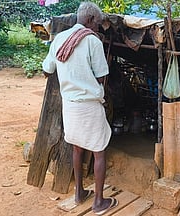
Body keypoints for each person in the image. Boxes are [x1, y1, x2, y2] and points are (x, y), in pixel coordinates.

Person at [42, 2, 117, 215]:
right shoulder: (92, 41)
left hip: (70, 105)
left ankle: (79, 193)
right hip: (89, 105)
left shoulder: (59, 39)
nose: (99, 28)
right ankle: (99, 202)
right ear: (91, 20)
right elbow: (102, 74)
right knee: (99, 151)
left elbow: (47, 69)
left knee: (77, 147)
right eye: (98, 24)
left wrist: (69, 75)